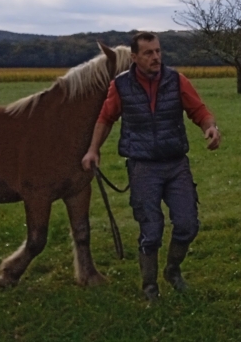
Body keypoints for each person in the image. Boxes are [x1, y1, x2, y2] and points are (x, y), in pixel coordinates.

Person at [81, 31, 220, 300]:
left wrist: (211, 127)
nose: (156, 57)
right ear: (134, 57)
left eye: (158, 51)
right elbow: (106, 118)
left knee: (187, 224)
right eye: (148, 53)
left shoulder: (177, 80)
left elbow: (199, 110)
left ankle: (172, 270)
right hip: (143, 167)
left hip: (176, 164)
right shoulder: (121, 86)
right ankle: (149, 286)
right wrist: (93, 150)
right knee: (151, 230)